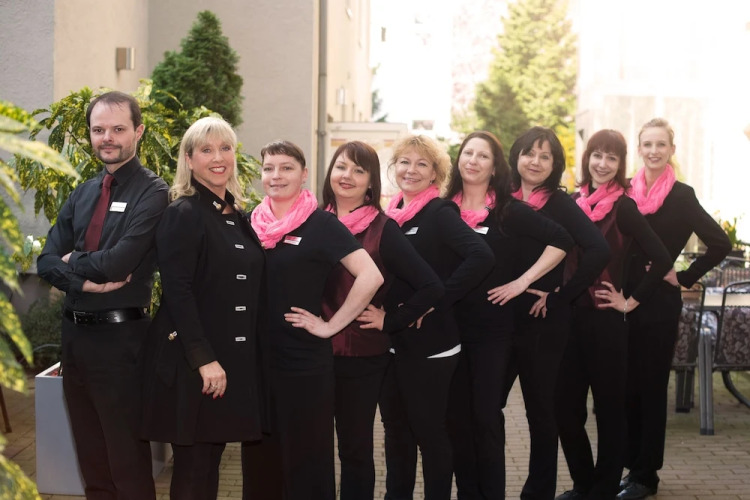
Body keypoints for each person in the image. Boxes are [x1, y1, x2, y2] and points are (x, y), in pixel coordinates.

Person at [36, 91, 168, 499]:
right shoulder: (83, 192)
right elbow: (45, 260)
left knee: (126, 461)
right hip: (75, 340)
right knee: (91, 458)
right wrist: (83, 281)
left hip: (121, 344)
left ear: (138, 132)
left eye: (117, 129)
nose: (107, 138)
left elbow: (118, 263)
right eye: (98, 130)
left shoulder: (153, 192)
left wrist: (73, 261)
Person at [242, 140, 383, 500]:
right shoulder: (249, 223)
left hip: (304, 364)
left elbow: (371, 276)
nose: (276, 175)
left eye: (286, 168)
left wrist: (331, 326)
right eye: (269, 168)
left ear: (304, 175)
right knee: (260, 464)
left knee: (307, 466)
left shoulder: (321, 224)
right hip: (258, 364)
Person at [140, 117, 266, 499]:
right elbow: (177, 291)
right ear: (189, 159)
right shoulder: (184, 212)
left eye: (225, 148)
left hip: (225, 363)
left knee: (209, 464)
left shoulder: (234, 214)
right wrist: (204, 359)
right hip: (193, 364)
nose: (218, 158)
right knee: (194, 471)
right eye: (207, 150)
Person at [444, 131, 573, 499]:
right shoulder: (444, 210)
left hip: (492, 333)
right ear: (458, 160)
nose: (473, 160)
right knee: (457, 421)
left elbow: (562, 241)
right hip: (450, 330)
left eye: (482, 155)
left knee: (486, 417)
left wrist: (522, 282)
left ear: (495, 166)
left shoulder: (508, 210)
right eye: (467, 153)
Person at [318, 140, 444, 500]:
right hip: (312, 352)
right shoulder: (312, 220)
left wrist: (392, 320)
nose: (347, 176)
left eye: (359, 170)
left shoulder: (382, 229)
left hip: (360, 356)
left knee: (354, 449)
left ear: (371, 182)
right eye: (341, 167)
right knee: (315, 448)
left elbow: (431, 286)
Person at [554, 129, 671, 500]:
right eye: (597, 155)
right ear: (587, 158)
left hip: (607, 322)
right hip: (569, 320)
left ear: (620, 164)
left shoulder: (625, 207)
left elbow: (662, 259)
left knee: (609, 411)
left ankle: (604, 489)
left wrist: (629, 301)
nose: (602, 164)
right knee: (565, 409)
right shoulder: (570, 203)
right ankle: (583, 483)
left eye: (611, 157)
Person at [618, 119, 731, 500]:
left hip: (658, 305)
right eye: (647, 144)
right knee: (627, 387)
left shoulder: (682, 196)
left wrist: (683, 276)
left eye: (660, 145)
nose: (654, 151)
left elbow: (719, 242)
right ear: (639, 149)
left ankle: (646, 476)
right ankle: (630, 467)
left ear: (671, 150)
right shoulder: (625, 191)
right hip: (623, 300)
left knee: (651, 388)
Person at [377, 134, 494, 500]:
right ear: (394, 167)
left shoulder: (439, 213)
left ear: (435, 175)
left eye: (422, 164)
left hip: (432, 345)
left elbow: (481, 256)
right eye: (405, 162)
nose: (411, 170)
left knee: (429, 434)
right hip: (393, 341)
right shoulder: (389, 215)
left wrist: (435, 301)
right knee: (396, 433)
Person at [507, 126, 610, 500]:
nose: (535, 161)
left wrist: (562, 296)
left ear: (555, 165)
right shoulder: (501, 199)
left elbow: (598, 250)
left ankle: (538, 492)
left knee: (541, 413)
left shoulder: (561, 204)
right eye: (529, 153)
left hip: (543, 321)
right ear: (516, 157)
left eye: (545, 156)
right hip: (501, 318)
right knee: (485, 406)